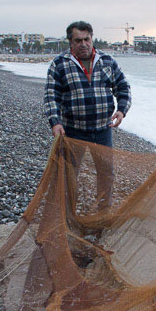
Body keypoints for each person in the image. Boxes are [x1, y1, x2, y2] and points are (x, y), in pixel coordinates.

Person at [44, 21, 131, 209]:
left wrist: (122, 110)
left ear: (92, 38)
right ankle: (67, 216)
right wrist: (55, 123)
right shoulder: (60, 64)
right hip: (73, 131)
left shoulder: (107, 61)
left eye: (87, 39)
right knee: (68, 175)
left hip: (103, 130)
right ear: (70, 42)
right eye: (78, 40)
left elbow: (123, 87)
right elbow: (51, 96)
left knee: (106, 174)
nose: (83, 44)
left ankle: (103, 214)